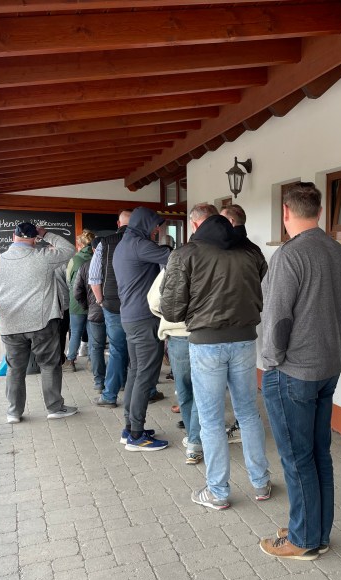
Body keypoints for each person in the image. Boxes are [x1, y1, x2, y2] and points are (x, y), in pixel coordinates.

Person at [259, 182, 341, 560]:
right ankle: (316, 531)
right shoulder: (337, 250)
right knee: (318, 454)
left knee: (298, 459)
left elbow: (278, 318)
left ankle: (303, 539)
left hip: (293, 370)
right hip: (327, 365)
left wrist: (270, 360)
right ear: (320, 211)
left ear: (285, 212)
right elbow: (339, 309)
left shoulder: (289, 255)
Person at [160, 203, 270, 510]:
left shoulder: (185, 254)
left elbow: (171, 309)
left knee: (210, 419)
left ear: (196, 225)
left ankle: (218, 492)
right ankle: (261, 483)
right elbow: (260, 278)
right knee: (247, 412)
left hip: (206, 342)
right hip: (245, 339)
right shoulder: (250, 251)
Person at [0, 221, 78, 423]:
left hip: (10, 324)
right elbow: (69, 249)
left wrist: (7, 313)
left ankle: (13, 412)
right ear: (35, 238)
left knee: (15, 369)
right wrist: (46, 234)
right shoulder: (43, 258)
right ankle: (55, 408)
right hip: (42, 323)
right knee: (49, 365)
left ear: (13, 236)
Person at [112, 206, 172, 451]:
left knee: (136, 373)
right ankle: (137, 436)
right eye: (155, 225)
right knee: (145, 376)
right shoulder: (139, 245)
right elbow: (173, 258)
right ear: (145, 224)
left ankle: (130, 428)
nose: (157, 229)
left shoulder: (125, 244)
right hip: (144, 319)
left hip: (130, 318)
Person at [218, 203, 264, 444]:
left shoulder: (219, 249)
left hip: (218, 331)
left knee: (215, 403)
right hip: (246, 331)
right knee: (245, 402)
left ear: (231, 222)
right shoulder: (254, 250)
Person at [149, 267, 202, 464]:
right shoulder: (213, 261)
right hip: (207, 334)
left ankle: (193, 439)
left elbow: (154, 302)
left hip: (179, 335)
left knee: (185, 389)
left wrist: (170, 315)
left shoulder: (173, 266)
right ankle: (196, 440)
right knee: (203, 390)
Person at [89, 210, 131, 408]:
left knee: (117, 349)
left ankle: (109, 395)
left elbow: (94, 278)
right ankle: (146, 391)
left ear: (118, 224)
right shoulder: (144, 242)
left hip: (112, 305)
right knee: (139, 350)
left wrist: (100, 301)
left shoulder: (104, 243)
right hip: (138, 307)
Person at [73, 241, 105, 393]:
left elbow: (77, 291)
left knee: (96, 347)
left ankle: (99, 382)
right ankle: (120, 380)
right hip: (115, 311)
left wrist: (87, 306)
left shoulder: (85, 266)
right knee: (118, 347)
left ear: (93, 249)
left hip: (94, 312)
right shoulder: (115, 263)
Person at [64, 229, 96, 372]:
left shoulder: (75, 260)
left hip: (76, 302)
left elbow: (68, 280)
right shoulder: (97, 258)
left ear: (80, 245)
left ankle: (71, 361)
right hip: (94, 301)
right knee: (93, 332)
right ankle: (92, 362)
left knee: (76, 332)